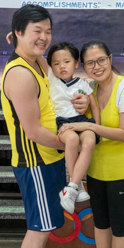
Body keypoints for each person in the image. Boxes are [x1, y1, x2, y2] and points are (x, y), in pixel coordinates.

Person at [1, 4, 87, 248]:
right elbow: (33, 130)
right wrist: (67, 141)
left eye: (48, 31)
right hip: (35, 161)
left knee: (48, 222)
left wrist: (23, 39)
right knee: (39, 228)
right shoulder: (21, 75)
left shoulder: (35, 60)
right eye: (36, 31)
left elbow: (24, 41)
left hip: (47, 157)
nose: (44, 38)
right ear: (20, 34)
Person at [58, 40, 124, 248]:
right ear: (83, 66)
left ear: (110, 58)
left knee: (118, 227)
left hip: (123, 171)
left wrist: (89, 128)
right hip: (96, 171)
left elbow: (123, 133)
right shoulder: (90, 90)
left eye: (101, 60)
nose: (97, 67)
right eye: (90, 63)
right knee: (102, 225)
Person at [46, 42, 100, 214]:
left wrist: (97, 127)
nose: (61, 66)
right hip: (63, 123)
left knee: (90, 139)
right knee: (72, 138)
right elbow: (36, 57)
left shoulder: (83, 83)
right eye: (56, 63)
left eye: (67, 61)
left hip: (82, 120)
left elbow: (95, 106)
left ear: (76, 63)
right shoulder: (52, 80)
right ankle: (77, 185)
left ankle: (72, 187)